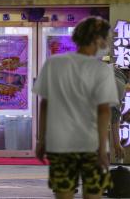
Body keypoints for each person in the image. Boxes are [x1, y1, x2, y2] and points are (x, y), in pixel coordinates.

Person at [33, 16, 119, 199]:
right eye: (106, 38)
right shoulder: (102, 70)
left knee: (64, 193)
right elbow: (104, 111)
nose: (107, 43)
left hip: (59, 144)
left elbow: (45, 104)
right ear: (97, 39)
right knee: (93, 193)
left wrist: (41, 140)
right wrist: (103, 149)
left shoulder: (53, 63)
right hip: (91, 145)